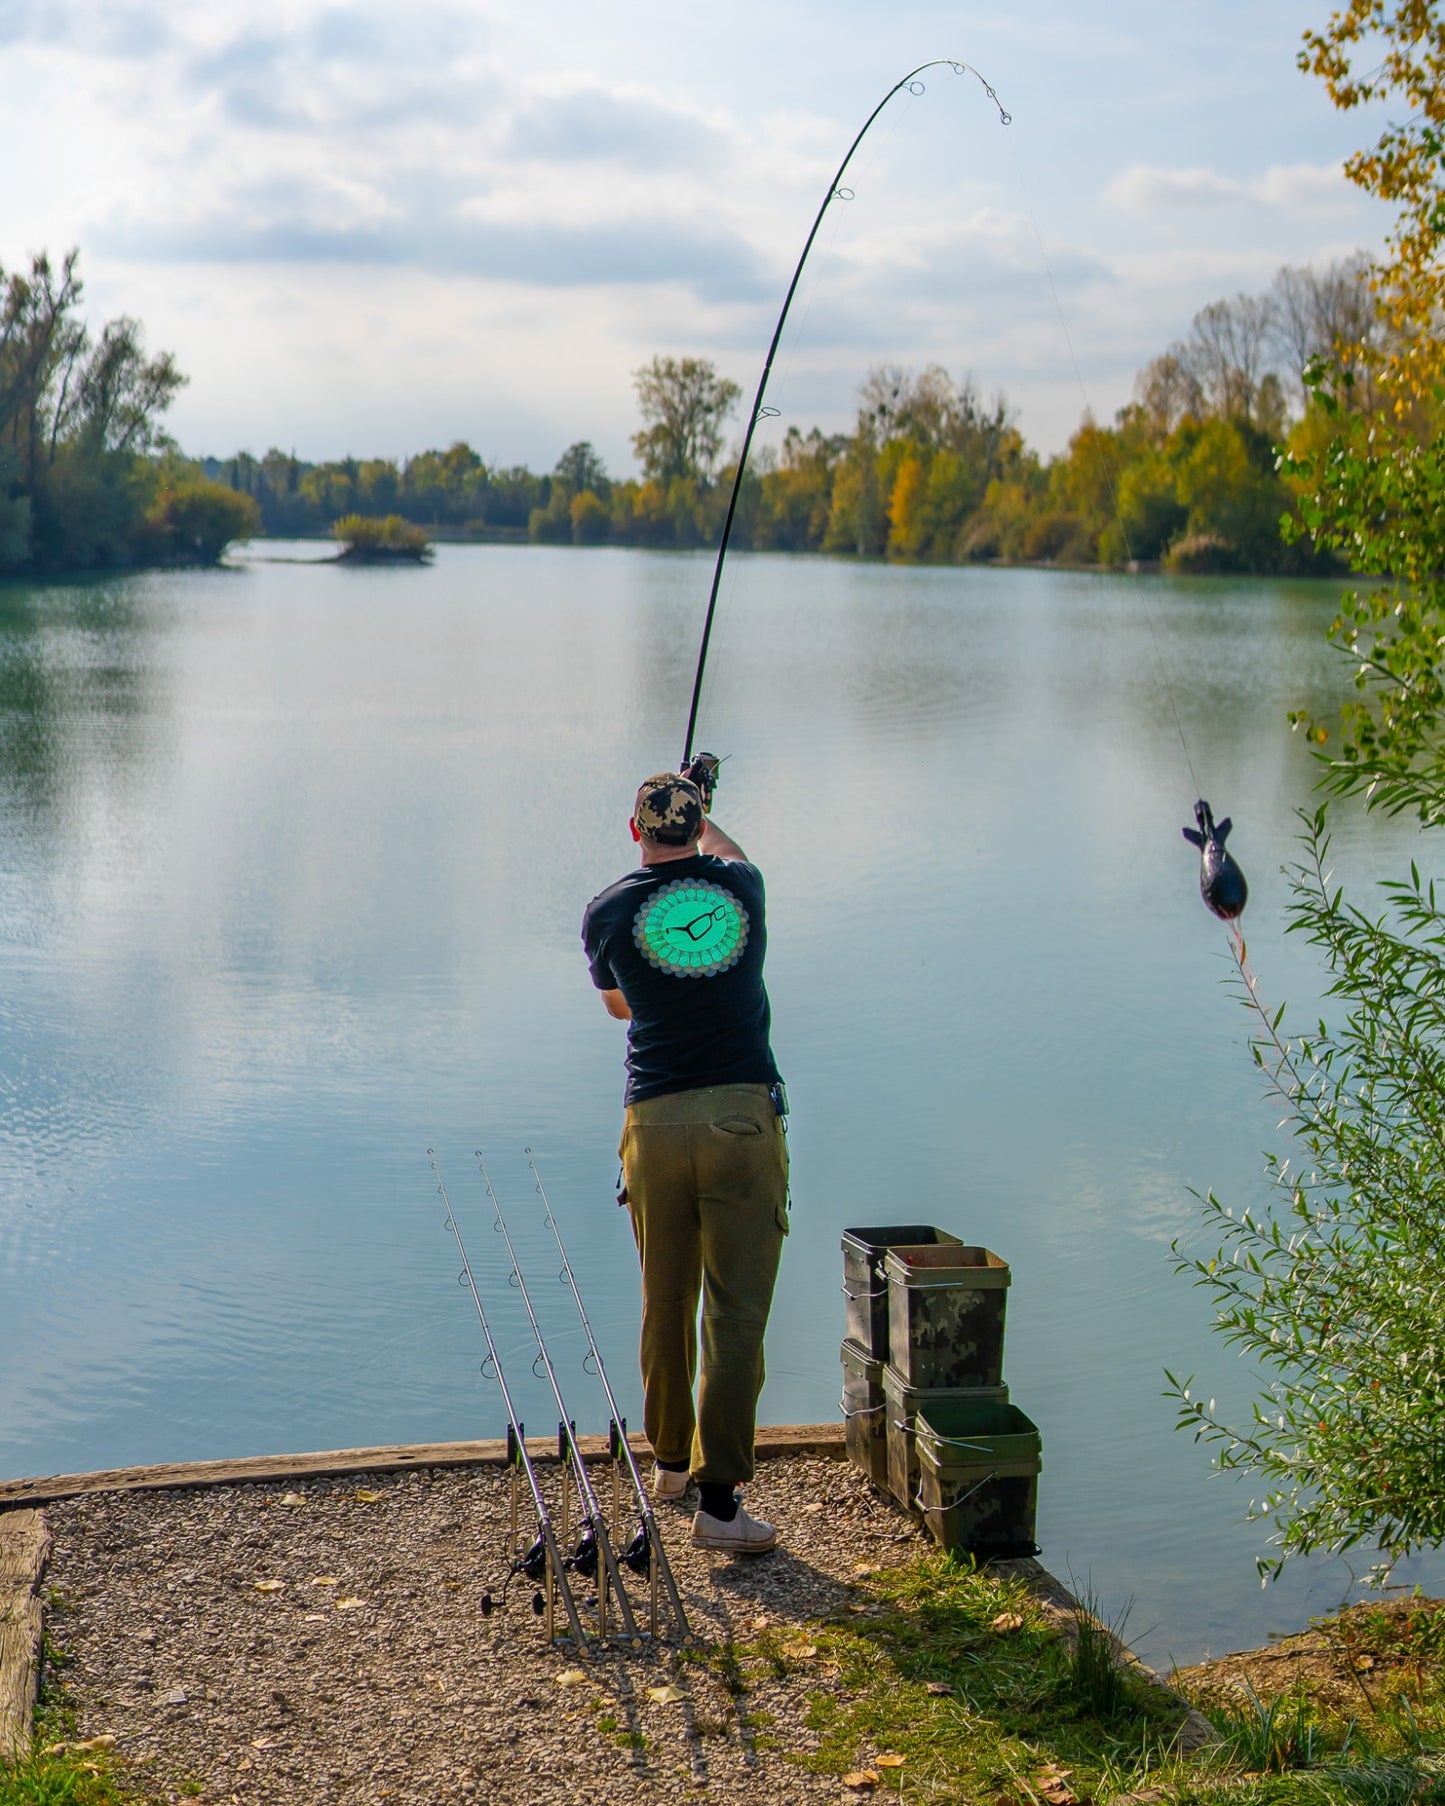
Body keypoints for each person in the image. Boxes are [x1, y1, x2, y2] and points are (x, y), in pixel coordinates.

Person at [581, 766, 788, 1554]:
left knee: (664, 1297)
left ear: (636, 829)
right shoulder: (742, 885)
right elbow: (727, 848)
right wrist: (708, 809)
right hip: (739, 1117)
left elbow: (619, 1007)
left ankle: (668, 1462)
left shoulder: (608, 909)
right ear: (699, 825)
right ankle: (721, 1506)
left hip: (655, 1121)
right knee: (734, 1314)